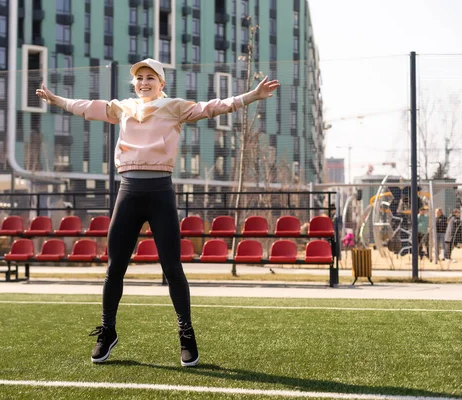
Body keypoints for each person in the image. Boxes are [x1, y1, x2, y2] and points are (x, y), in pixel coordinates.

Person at [36, 58, 280, 367]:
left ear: (161, 83)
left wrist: (252, 96)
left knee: (172, 268)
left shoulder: (174, 107)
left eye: (150, 77)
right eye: (139, 78)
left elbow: (214, 107)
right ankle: (108, 331)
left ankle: (186, 333)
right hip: (128, 191)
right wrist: (56, 99)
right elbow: (86, 107)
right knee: (115, 268)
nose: (143, 82)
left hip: (160, 192)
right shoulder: (122, 108)